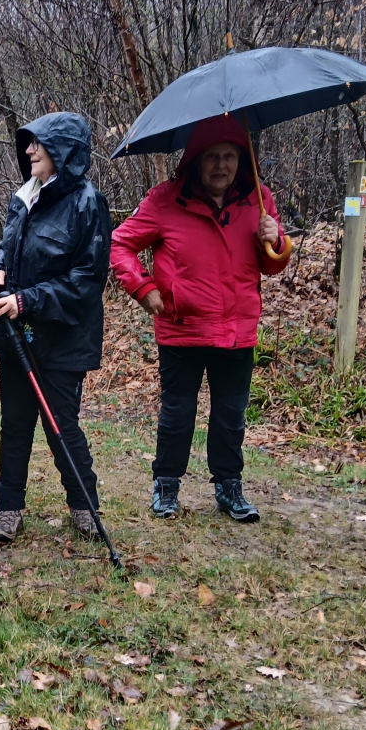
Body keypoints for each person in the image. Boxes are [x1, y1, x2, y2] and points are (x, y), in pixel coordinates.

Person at [110, 114, 292, 522]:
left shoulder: (259, 200)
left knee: (231, 414)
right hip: (182, 328)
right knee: (178, 412)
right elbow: (119, 244)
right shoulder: (164, 200)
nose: (221, 166)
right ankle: (166, 486)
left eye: (229, 156)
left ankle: (229, 489)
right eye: (212, 156)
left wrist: (275, 240)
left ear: (241, 160)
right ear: (195, 160)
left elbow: (271, 265)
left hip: (237, 328)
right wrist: (143, 287)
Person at [0, 113, 111, 545]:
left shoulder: (88, 203)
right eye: (28, 144)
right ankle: (8, 509)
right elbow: (5, 250)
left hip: (63, 338)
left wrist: (27, 300)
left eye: (37, 144)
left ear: (64, 151)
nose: (28, 151)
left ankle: (84, 505)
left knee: (62, 424)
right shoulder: (23, 197)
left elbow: (86, 281)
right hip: (17, 337)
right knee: (15, 424)